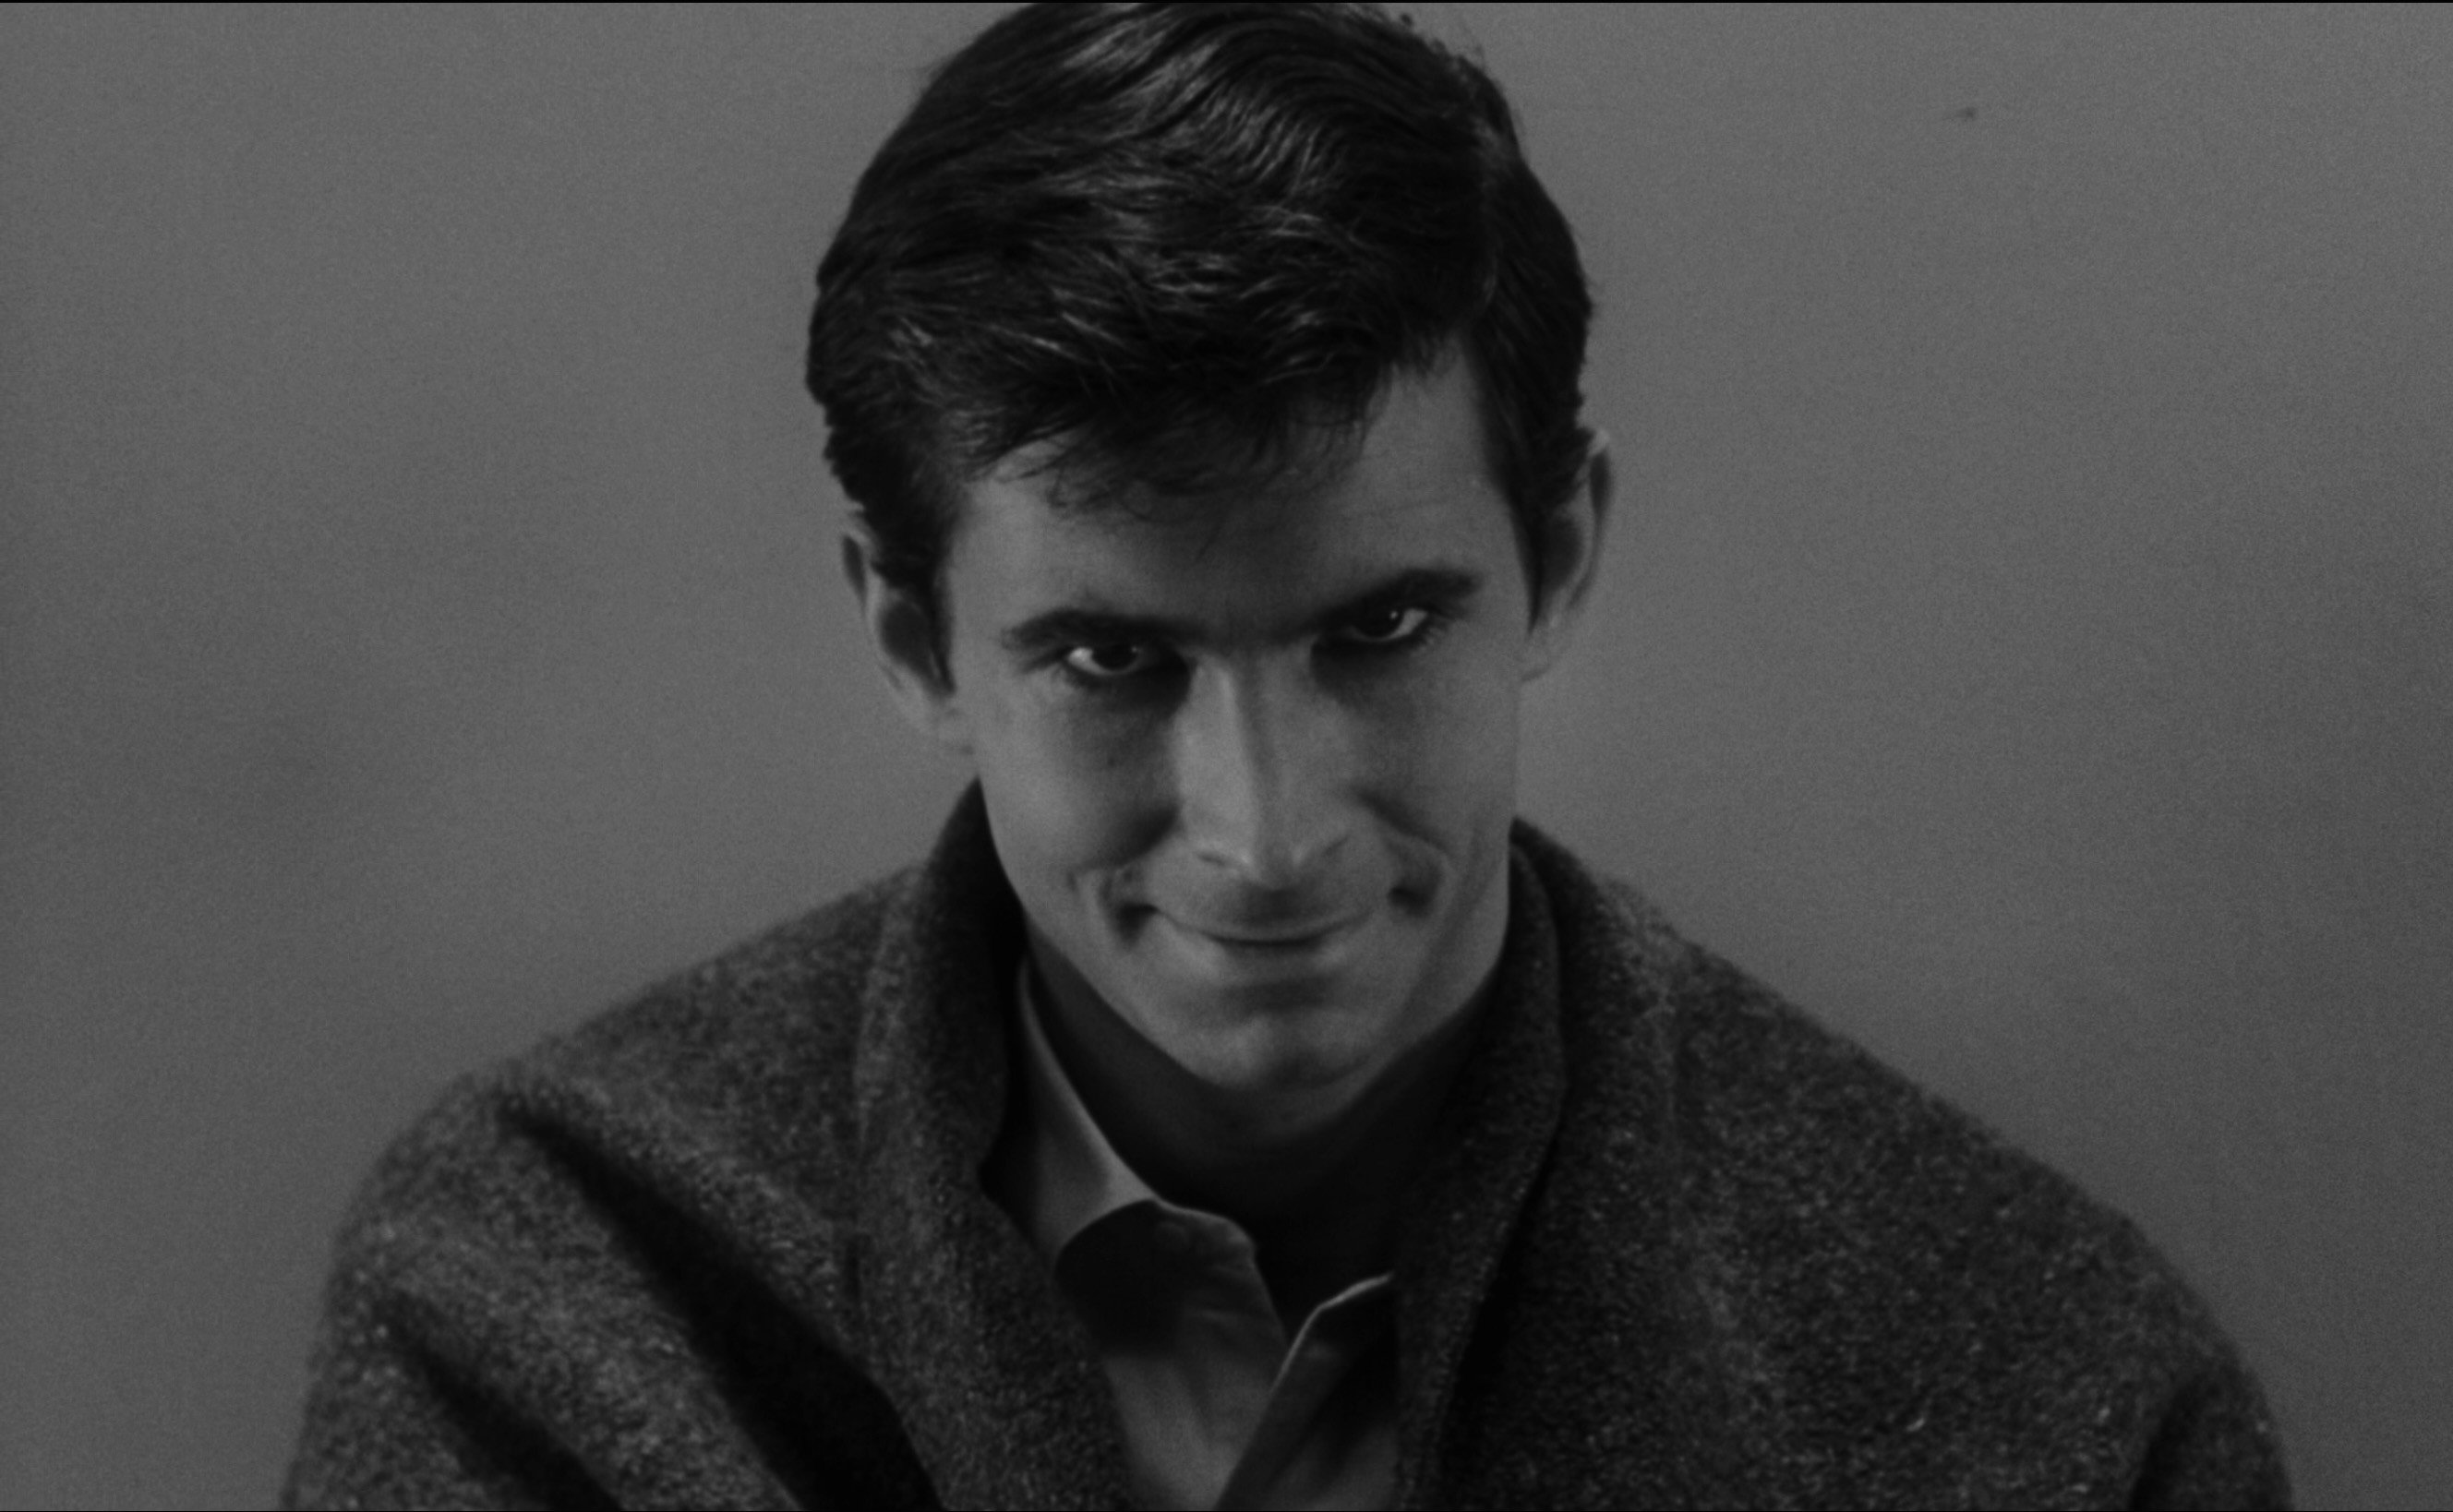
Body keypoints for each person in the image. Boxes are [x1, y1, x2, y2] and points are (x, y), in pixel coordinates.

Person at [284, 5, 2290, 1507]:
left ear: (1560, 554)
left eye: (1379, 630)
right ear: (911, 635)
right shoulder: (546, 1295)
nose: (1266, 834)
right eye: (1110, 659)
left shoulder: (2042, 1386)